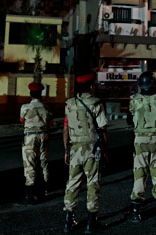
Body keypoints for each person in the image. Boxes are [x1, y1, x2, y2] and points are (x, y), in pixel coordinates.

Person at [63, 72, 108, 234]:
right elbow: (102, 129)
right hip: (92, 149)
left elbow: (66, 129)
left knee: (73, 183)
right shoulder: (96, 103)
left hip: (75, 148)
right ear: (90, 86)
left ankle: (68, 220)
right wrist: (105, 150)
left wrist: (66, 151)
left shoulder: (70, 104)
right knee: (93, 183)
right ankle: (91, 221)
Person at [128, 71, 156, 223]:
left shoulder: (134, 100)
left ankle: (136, 212)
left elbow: (130, 120)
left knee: (139, 174)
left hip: (140, 140)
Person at [20, 81, 54, 204]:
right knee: (43, 163)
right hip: (43, 135)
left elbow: (22, 120)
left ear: (30, 93)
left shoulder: (25, 107)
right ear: (41, 93)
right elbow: (51, 123)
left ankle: (29, 195)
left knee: (30, 164)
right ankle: (44, 191)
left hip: (30, 136)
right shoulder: (47, 108)